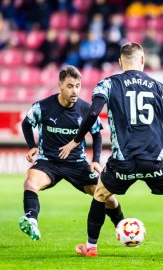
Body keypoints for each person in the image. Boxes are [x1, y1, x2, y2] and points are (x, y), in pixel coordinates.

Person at [59, 42, 163, 261]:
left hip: (122, 162)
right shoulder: (159, 87)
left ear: (120, 62)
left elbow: (92, 114)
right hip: (154, 161)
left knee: (100, 195)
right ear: (142, 60)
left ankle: (91, 246)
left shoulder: (107, 84)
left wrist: (76, 140)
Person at [19, 65, 123, 241]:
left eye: (77, 85)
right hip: (48, 161)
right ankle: (31, 220)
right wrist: (32, 145)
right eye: (69, 86)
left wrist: (95, 160)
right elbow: (26, 124)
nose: (74, 90)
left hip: (77, 164)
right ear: (59, 85)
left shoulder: (86, 110)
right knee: (30, 183)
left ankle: (123, 227)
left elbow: (97, 133)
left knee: (109, 198)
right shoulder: (43, 107)